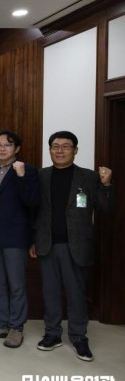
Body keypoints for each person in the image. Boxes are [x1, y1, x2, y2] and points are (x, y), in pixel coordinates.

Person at [30, 131, 114, 361]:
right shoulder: (40, 175)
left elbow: (106, 208)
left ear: (75, 150)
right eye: (55, 146)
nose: (60, 150)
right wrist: (32, 240)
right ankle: (52, 334)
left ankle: (78, 337)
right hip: (47, 243)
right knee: (50, 292)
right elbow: (32, 210)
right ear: (49, 150)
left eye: (66, 146)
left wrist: (106, 185)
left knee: (76, 293)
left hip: (76, 245)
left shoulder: (89, 177)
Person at [0, 130, 39, 348]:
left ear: (17, 148)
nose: (2, 148)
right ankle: (1, 324)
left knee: (16, 284)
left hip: (15, 235)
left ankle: (16, 328)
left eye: (7, 144)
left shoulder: (27, 170)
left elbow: (32, 202)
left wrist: (21, 176)